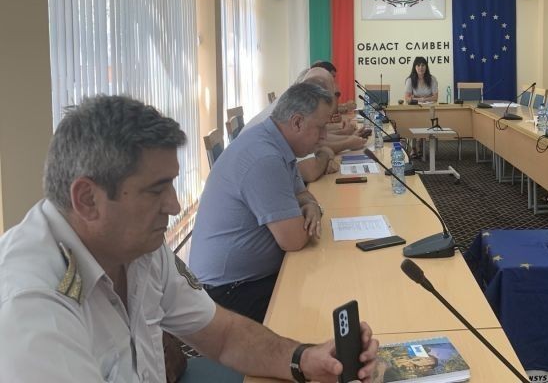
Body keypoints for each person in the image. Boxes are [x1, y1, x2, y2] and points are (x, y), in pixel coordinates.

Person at [0, 95, 378, 382]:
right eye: (156, 189)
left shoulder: (134, 246)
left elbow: (224, 336)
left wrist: (304, 359)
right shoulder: (31, 312)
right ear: (87, 199)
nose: (174, 205)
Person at [190, 83, 335, 323]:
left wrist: (312, 207)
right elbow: (295, 240)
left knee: (326, 283)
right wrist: (311, 211)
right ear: (297, 122)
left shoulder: (276, 142)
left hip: (245, 281)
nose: (325, 136)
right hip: (228, 294)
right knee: (326, 298)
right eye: (320, 127)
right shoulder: (264, 156)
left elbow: (302, 194)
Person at [404, 57, 439, 158]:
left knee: (424, 121)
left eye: (423, 65)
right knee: (414, 123)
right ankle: (413, 147)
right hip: (414, 109)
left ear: (426, 67)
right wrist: (424, 99)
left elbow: (435, 97)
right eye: (418, 65)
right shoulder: (410, 80)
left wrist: (416, 97)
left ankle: (420, 145)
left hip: (427, 109)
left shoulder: (432, 79)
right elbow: (407, 99)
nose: (421, 67)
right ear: (415, 67)